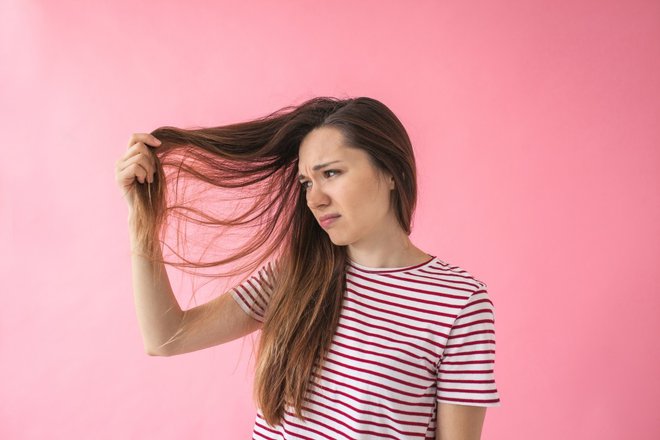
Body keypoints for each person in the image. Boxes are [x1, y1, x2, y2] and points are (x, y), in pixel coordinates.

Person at [115, 96, 501, 439]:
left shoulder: (458, 302)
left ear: (390, 172)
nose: (314, 199)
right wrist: (142, 220)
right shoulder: (295, 276)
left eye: (331, 173)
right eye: (305, 183)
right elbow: (167, 337)